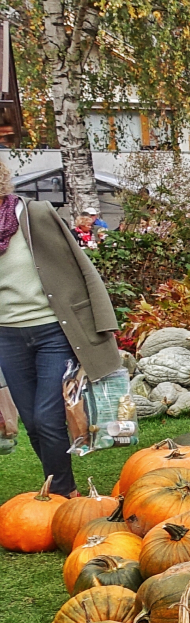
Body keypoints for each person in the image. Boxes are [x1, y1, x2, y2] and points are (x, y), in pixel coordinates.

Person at [0, 161, 122, 497]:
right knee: (33, 424)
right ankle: (55, 487)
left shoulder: (35, 214)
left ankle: (65, 495)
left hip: (53, 331)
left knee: (48, 417)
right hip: (7, 336)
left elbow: (80, 266)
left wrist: (103, 321)